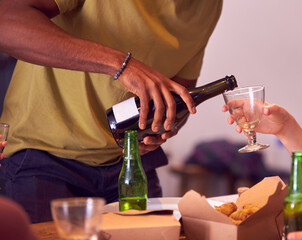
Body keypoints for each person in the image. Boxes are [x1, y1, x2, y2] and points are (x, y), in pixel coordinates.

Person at [0, 0, 222, 223]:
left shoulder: (208, 6)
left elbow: (177, 97)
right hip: (44, 159)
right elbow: (6, 21)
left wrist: (159, 129)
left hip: (130, 164)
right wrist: (120, 65)